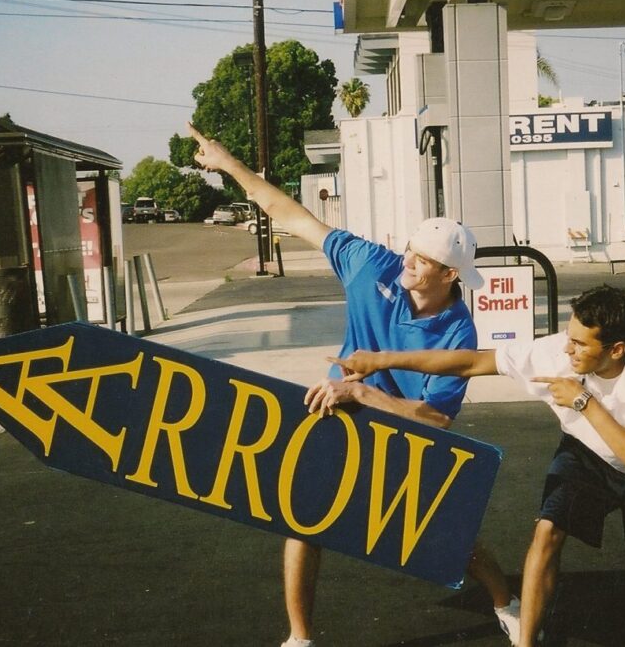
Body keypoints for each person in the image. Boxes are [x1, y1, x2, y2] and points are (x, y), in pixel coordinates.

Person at [187, 124, 519, 647]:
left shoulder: (459, 331)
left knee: (445, 530)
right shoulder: (372, 265)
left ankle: (507, 603)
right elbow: (291, 214)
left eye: (421, 260)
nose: (406, 260)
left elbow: (436, 418)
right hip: (335, 410)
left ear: (450, 275)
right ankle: (300, 639)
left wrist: (361, 391)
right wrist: (228, 163)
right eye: (409, 250)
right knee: (301, 519)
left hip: (403, 425)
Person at [332, 285, 625, 647]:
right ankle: (526, 642)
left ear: (617, 349)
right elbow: (470, 362)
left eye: (581, 344)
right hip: (586, 454)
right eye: (569, 337)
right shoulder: (554, 353)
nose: (568, 349)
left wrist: (584, 402)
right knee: (546, 533)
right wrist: (382, 360)